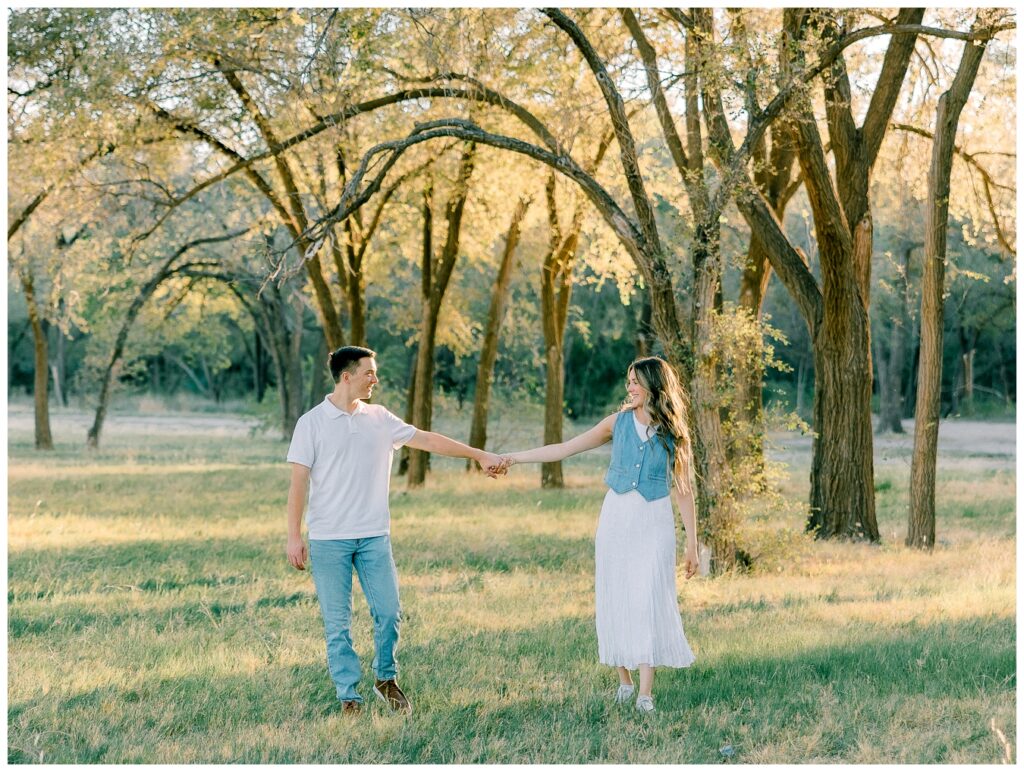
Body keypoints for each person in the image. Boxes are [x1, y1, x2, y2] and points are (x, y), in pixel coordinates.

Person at [286, 345, 504, 716]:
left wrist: (478, 454)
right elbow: (298, 484)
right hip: (329, 540)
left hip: (373, 537)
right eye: (369, 373)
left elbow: (429, 440)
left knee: (389, 613)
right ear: (346, 376)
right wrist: (294, 535)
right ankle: (348, 697)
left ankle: (385, 678)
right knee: (337, 625)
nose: (375, 379)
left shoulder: (380, 418)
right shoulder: (312, 423)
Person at [494, 356, 698, 714]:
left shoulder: (675, 431)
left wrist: (692, 545)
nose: (630, 387)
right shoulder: (616, 423)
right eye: (628, 381)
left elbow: (683, 489)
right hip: (617, 518)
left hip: (654, 521)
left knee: (647, 597)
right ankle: (624, 681)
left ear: (654, 384)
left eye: (636, 381)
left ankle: (646, 695)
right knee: (616, 593)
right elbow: (565, 448)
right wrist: (513, 458)